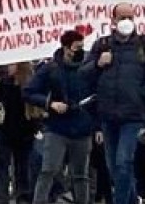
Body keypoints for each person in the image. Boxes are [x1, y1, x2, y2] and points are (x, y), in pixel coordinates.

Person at [85, 3, 145, 204]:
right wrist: (98, 64)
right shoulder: (102, 45)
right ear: (112, 21)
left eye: (130, 17)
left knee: (124, 163)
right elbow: (83, 75)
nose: (126, 22)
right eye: (122, 17)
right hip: (108, 115)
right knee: (114, 167)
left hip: (133, 115)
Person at [29, 31, 95, 204]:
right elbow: (29, 91)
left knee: (81, 175)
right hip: (57, 128)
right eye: (77, 47)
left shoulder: (88, 67)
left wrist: (97, 126)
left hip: (82, 127)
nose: (81, 50)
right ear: (66, 48)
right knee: (48, 170)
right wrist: (50, 103)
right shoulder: (51, 68)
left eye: (82, 46)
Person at [0, 63, 37, 204]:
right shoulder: (4, 83)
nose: (9, 67)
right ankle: (2, 194)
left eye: (12, 64)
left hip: (24, 131)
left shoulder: (29, 84)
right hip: (6, 130)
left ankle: (23, 193)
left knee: (22, 165)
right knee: (3, 164)